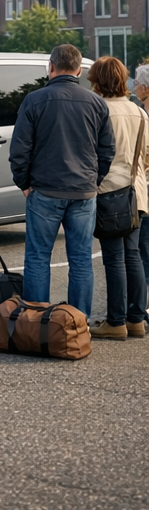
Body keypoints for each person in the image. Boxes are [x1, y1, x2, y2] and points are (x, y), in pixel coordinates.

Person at [9, 43, 115, 318]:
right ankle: (78, 325)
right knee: (81, 261)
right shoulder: (96, 103)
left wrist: (24, 183)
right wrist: (94, 180)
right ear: (79, 69)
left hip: (44, 190)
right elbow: (107, 150)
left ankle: (34, 322)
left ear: (51, 67)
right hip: (83, 192)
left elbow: (19, 149)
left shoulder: (34, 100)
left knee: (37, 258)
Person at [86, 56, 148, 339]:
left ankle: (116, 321)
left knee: (113, 258)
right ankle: (137, 319)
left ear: (98, 81)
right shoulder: (139, 112)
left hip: (108, 191)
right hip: (135, 191)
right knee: (133, 255)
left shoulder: (97, 109)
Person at [131, 62, 149, 303]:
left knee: (144, 247)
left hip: (145, 185)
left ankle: (142, 304)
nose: (134, 86)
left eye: (136, 83)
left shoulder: (144, 113)